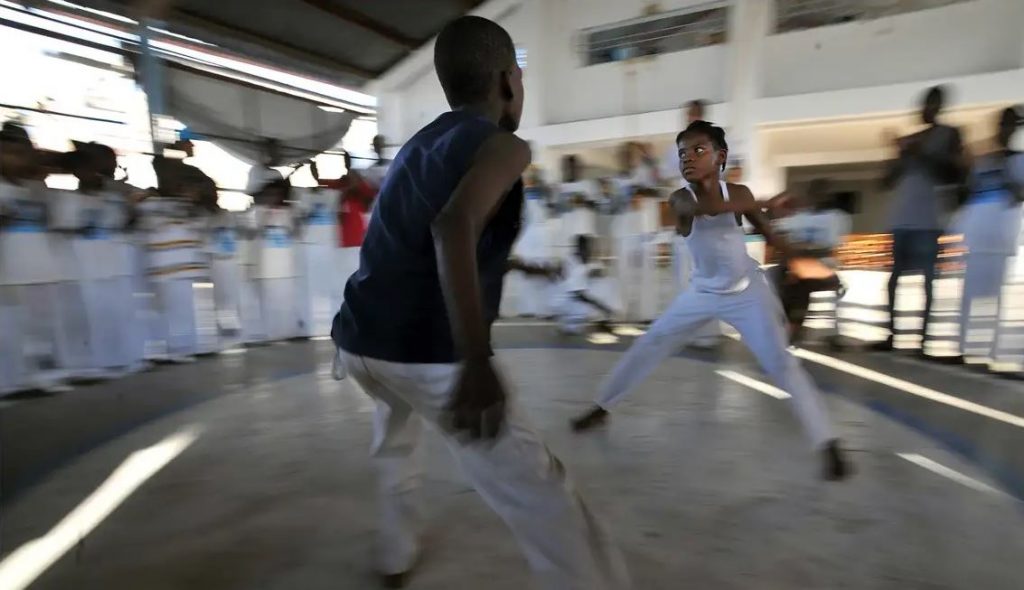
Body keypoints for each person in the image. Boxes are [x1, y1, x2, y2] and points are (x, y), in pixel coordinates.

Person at [332, 16, 630, 589]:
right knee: (539, 491)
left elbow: (411, 237)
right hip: (427, 351)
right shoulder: (504, 146)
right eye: (518, 77)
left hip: (362, 341)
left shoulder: (420, 145)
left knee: (395, 445)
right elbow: (453, 227)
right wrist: (475, 360)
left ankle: (395, 556)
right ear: (506, 81)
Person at [571, 121, 851, 481]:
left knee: (781, 362)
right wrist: (762, 202)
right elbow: (711, 208)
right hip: (702, 293)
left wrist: (810, 265)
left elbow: (772, 237)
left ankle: (826, 441)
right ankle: (601, 405)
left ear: (720, 157)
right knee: (652, 342)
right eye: (683, 152)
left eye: (698, 150)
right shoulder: (680, 198)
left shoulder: (740, 192)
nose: (688, 157)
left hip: (748, 292)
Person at [875, 86, 966, 353]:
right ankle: (891, 335)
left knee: (927, 281)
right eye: (923, 105)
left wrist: (918, 153)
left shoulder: (949, 135)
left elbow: (951, 174)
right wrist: (898, 155)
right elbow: (886, 181)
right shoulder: (911, 140)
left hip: (928, 220)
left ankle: (923, 341)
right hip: (901, 218)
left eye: (931, 104)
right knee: (893, 280)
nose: (925, 110)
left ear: (940, 107)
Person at [956, 106, 1023, 361]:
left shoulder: (1019, 160)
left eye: (1012, 124)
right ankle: (964, 349)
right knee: (969, 296)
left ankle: (992, 352)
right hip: (976, 234)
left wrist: (1007, 172)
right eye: (1003, 124)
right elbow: (967, 194)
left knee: (995, 298)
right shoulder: (983, 160)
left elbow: (1020, 194)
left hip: (1001, 236)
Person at [770, 179, 850, 348]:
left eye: (822, 193)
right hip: (794, 264)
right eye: (813, 193)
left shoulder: (836, 218)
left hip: (821, 266)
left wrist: (802, 249)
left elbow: (830, 248)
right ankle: (787, 325)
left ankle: (792, 327)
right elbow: (775, 231)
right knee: (779, 273)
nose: (817, 197)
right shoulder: (799, 217)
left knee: (796, 276)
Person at [558, 234, 615, 334]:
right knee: (573, 326)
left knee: (607, 284)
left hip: (578, 299)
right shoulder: (572, 264)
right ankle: (598, 322)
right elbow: (579, 294)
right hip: (572, 302)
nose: (590, 250)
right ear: (580, 247)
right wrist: (602, 307)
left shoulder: (585, 262)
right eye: (587, 247)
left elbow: (597, 272)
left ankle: (601, 321)